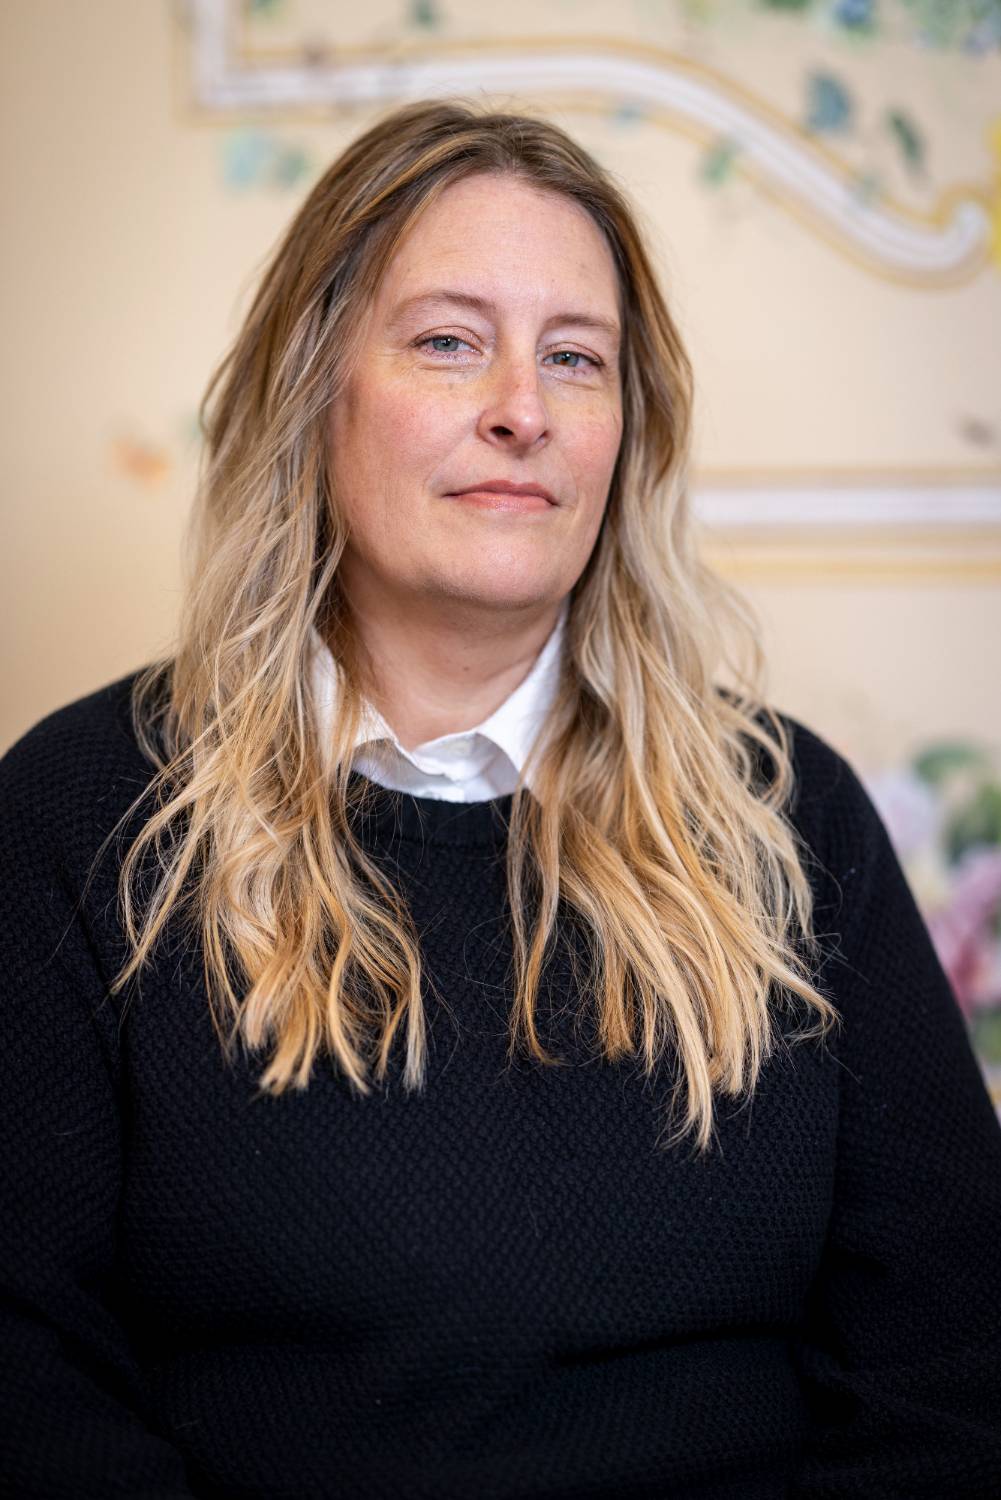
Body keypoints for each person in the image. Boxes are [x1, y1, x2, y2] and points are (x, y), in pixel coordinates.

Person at [1, 98, 999, 1500]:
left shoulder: (789, 820)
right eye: (448, 341)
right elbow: (23, 1375)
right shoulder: (81, 814)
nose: (519, 411)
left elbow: (956, 1358)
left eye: (574, 360)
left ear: (620, 436)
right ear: (314, 387)